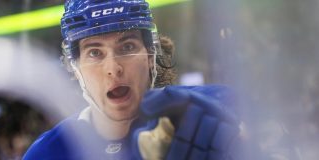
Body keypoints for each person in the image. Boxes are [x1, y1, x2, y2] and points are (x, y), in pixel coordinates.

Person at [23, 0, 242, 159]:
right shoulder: (46, 154)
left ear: (150, 55)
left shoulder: (216, 110)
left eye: (127, 47)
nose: (114, 69)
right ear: (74, 67)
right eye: (95, 53)